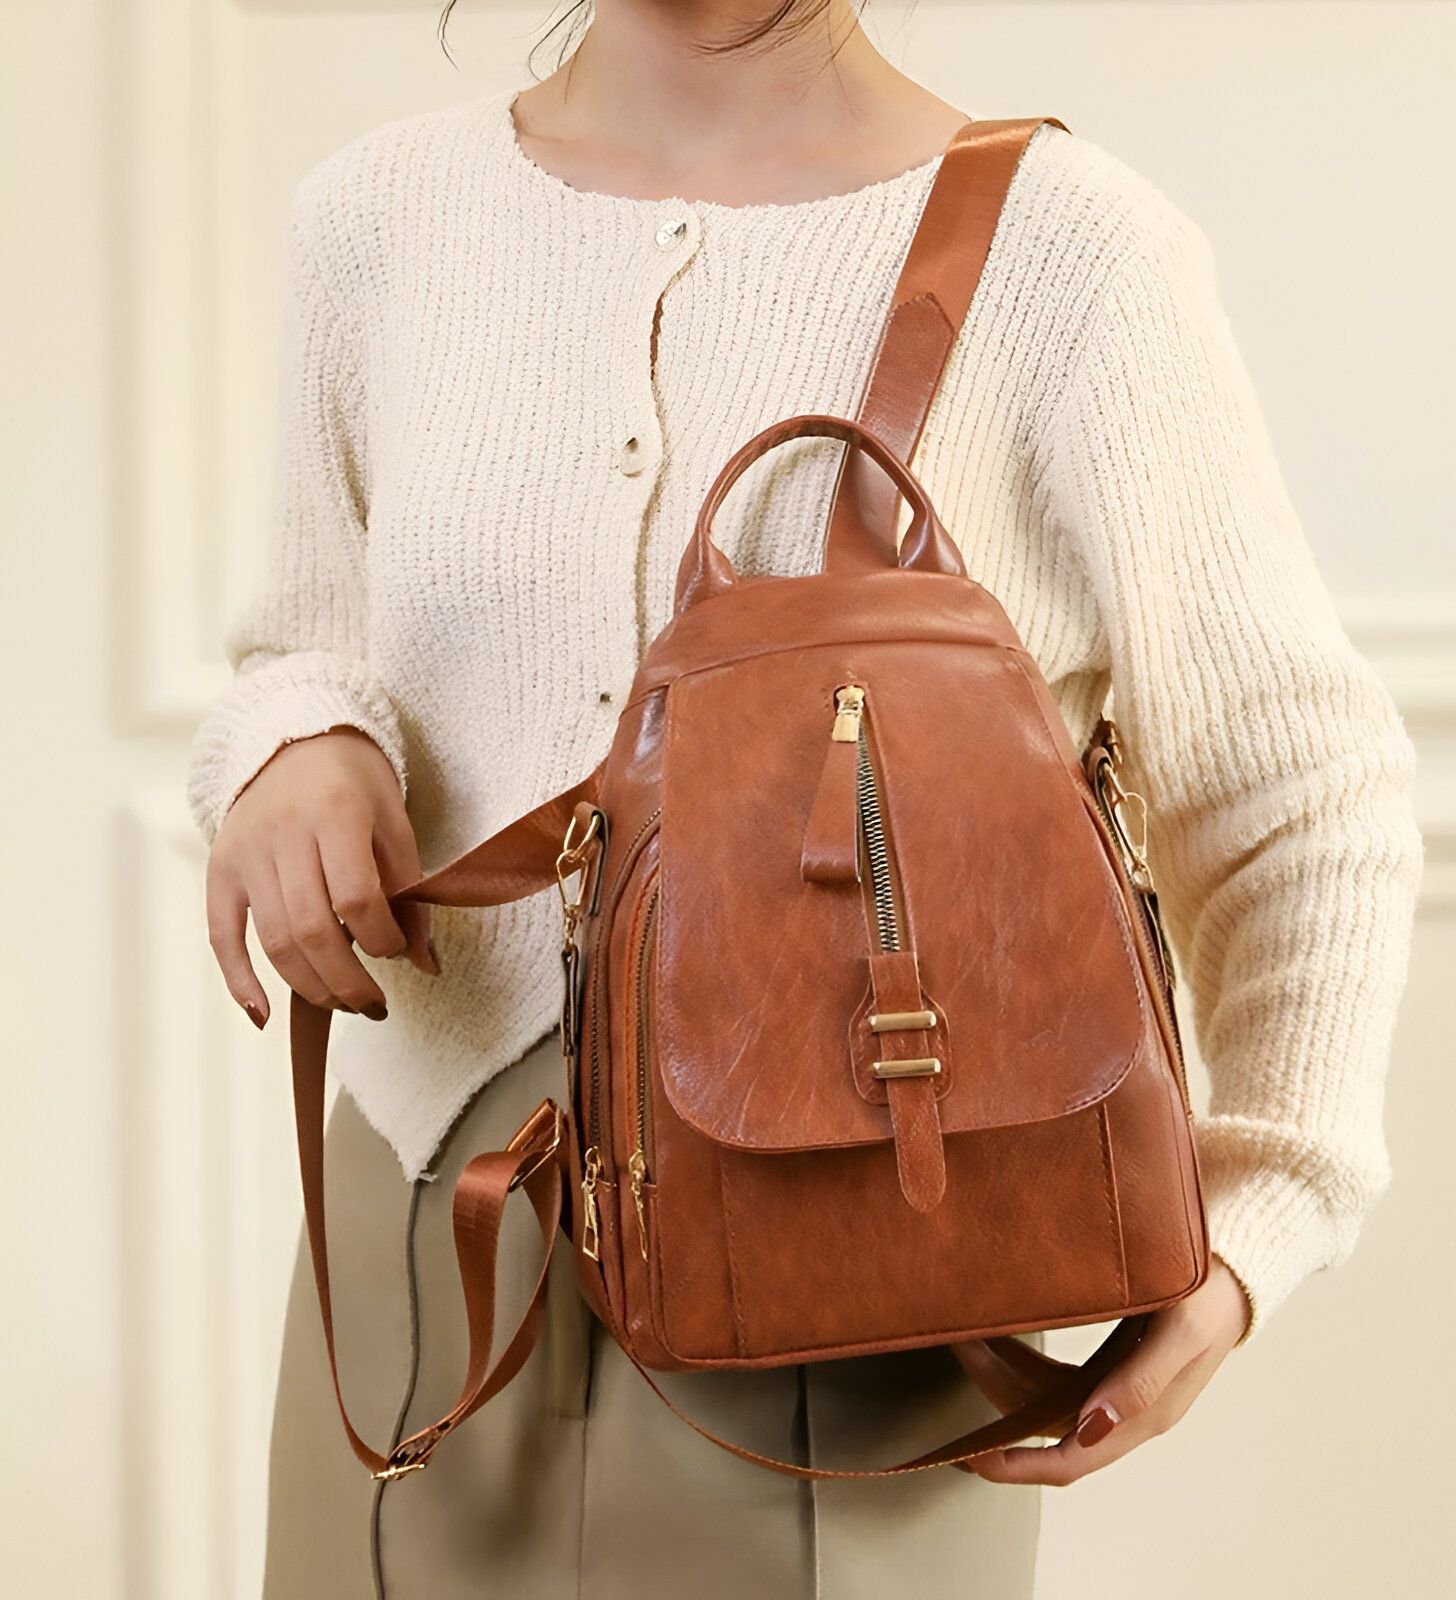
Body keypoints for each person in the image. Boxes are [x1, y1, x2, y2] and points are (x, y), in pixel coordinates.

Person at [185, 4, 1423, 1595]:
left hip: (872, 1254)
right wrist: (299, 739)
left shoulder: (1080, 257)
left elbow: (1296, 786)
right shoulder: (374, 220)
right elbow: (300, 641)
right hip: (429, 1245)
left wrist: (1265, 1215)